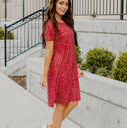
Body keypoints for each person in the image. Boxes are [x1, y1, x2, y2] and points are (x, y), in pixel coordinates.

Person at [39, 0, 84, 128]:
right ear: (54, 4)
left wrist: (77, 68)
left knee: (73, 102)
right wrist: (44, 76)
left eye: (66, 4)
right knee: (61, 105)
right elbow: (49, 53)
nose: (64, 7)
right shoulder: (51, 25)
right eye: (61, 3)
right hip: (59, 70)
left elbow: (70, 50)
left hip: (69, 69)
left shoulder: (67, 23)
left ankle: (51, 127)